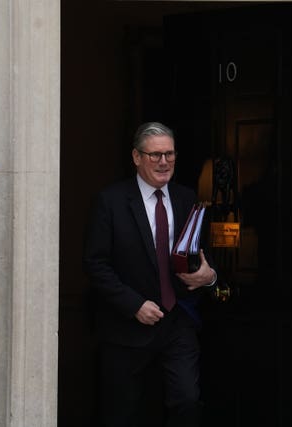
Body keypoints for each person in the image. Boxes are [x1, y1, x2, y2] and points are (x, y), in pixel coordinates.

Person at [83, 121, 218, 427]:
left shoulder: (187, 198)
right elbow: (95, 263)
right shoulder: (111, 201)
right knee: (124, 412)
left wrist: (208, 277)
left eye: (169, 154)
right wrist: (133, 305)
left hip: (177, 321)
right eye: (155, 155)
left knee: (186, 400)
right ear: (136, 157)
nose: (163, 162)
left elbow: (204, 258)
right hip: (127, 326)